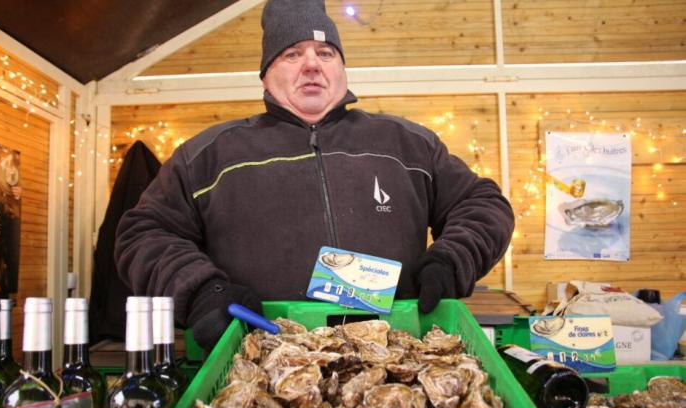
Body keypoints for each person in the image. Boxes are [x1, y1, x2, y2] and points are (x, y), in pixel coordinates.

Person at [115, 0, 514, 351]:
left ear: (341, 68)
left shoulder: (407, 144)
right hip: (259, 363)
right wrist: (201, 289)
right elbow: (143, 233)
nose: (311, 65)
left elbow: (484, 204)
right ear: (266, 73)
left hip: (394, 359)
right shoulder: (207, 155)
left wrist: (451, 258)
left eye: (325, 52)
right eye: (291, 54)